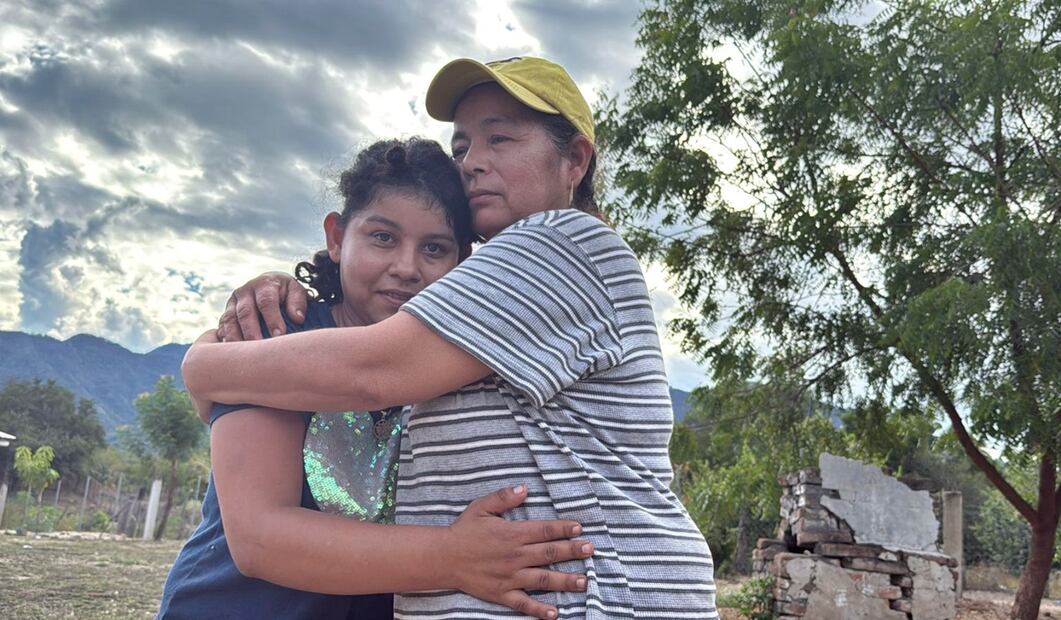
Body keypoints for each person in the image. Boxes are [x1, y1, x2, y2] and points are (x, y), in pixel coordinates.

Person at [185, 57, 718, 619]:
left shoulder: (562, 243)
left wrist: (202, 365)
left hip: (605, 596)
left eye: (500, 138)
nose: (472, 163)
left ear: (575, 160)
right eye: (462, 147)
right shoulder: (450, 324)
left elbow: (373, 371)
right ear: (338, 236)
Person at [160, 137, 593, 620]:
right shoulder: (275, 333)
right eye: (383, 238)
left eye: (434, 248)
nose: (406, 268)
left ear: (465, 263)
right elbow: (259, 539)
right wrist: (454, 557)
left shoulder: (460, 367)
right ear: (337, 237)